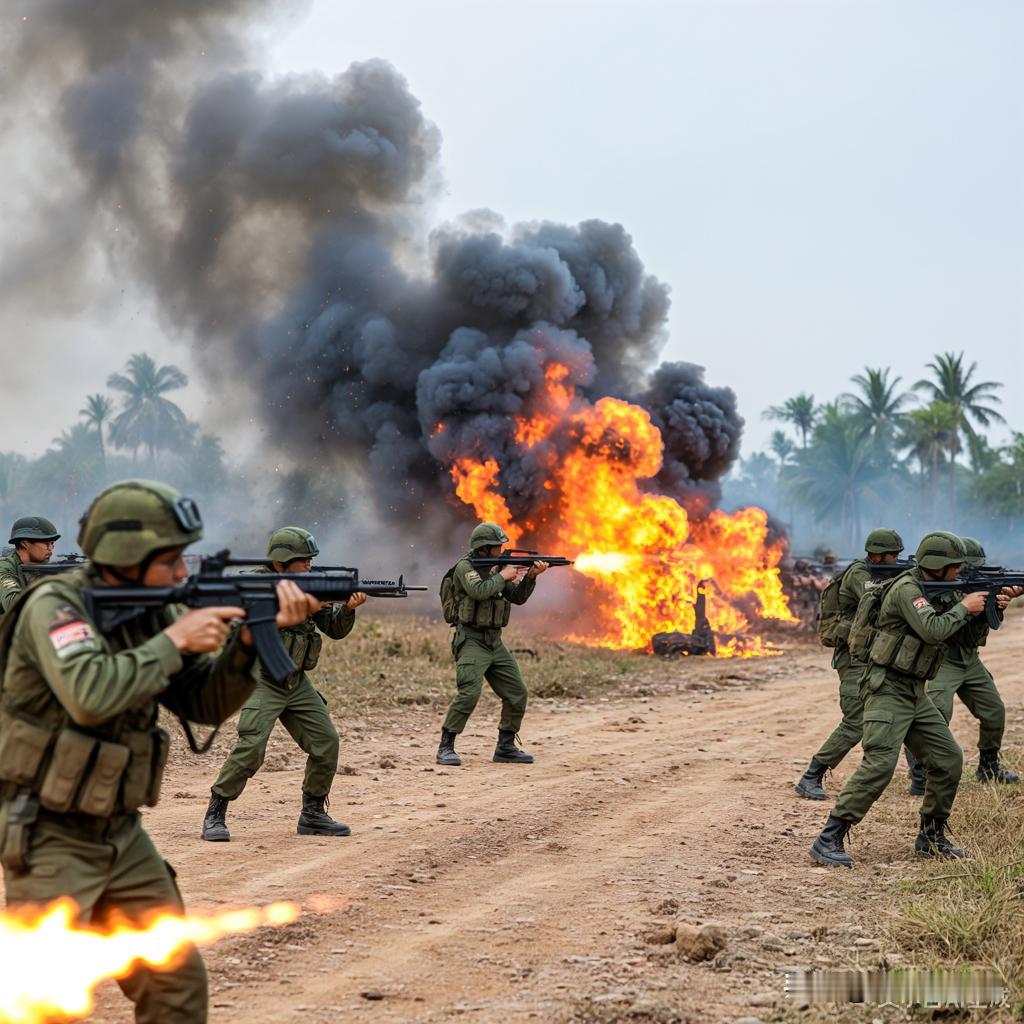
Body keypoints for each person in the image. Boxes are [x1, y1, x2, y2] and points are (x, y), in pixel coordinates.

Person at [0, 480, 316, 1023]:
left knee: (175, 985)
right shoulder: (57, 606)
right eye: (169, 558)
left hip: (121, 832)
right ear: (127, 555)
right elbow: (91, 695)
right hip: (50, 832)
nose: (180, 572)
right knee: (43, 1004)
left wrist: (246, 642)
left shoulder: (148, 612)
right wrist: (175, 641)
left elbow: (205, 704)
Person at [809, 532, 1015, 868]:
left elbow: (960, 637)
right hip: (886, 688)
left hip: (914, 692)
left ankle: (931, 837)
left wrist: (986, 611)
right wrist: (965, 605)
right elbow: (933, 630)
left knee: (948, 759)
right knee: (880, 765)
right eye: (955, 566)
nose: (960, 572)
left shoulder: (936, 589)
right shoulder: (907, 589)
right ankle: (829, 837)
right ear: (938, 566)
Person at [203, 527, 366, 842]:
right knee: (251, 747)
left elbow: (333, 629)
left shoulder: (310, 584)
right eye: (303, 560)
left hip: (295, 681)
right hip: (261, 679)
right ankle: (215, 812)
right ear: (281, 563)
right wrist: (296, 611)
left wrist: (346, 609)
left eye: (310, 559)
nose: (309, 565)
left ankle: (313, 813)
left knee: (326, 741)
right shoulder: (255, 582)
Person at [904, 536, 1021, 794]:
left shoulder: (972, 586)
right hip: (942, 659)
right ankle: (920, 776)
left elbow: (979, 630)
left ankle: (989, 767)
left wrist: (998, 604)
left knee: (994, 711)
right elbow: (934, 627)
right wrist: (965, 605)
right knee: (934, 716)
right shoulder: (930, 588)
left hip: (969, 658)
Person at [795, 529, 904, 800]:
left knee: (906, 711)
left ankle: (921, 777)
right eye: (893, 556)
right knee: (856, 721)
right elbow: (876, 596)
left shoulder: (880, 571)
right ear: (877, 555)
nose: (897, 561)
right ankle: (812, 775)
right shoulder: (859, 574)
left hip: (874, 655)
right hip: (854, 658)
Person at [436, 522, 548, 767]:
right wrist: (503, 575)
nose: (501, 550)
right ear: (484, 548)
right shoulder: (466, 567)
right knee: (469, 693)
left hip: (494, 642)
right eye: (497, 547)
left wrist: (530, 577)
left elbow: (516, 598)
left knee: (517, 692)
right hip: (471, 641)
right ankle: (446, 746)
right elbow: (478, 590)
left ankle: (506, 746)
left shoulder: (497, 567)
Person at [0, 515, 61, 612]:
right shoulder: (4, 567)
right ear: (25, 543)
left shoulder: (46, 567)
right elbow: (13, 604)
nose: (50, 548)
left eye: (52, 543)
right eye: (45, 543)